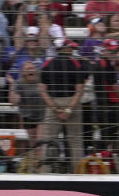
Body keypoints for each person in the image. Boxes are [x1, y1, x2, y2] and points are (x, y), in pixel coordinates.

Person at [37, 39, 88, 171]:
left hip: (53, 102)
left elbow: (42, 90)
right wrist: (69, 109)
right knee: (75, 141)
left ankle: (45, 174)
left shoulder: (47, 64)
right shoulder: (76, 63)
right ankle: (79, 174)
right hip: (72, 102)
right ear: (65, 48)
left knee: (49, 140)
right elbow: (80, 90)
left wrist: (55, 109)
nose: (72, 50)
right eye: (70, 48)